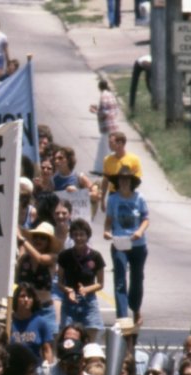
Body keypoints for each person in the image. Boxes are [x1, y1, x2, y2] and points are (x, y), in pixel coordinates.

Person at [103, 166, 149, 327]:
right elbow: (108, 222)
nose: (124, 183)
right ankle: (122, 317)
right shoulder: (113, 199)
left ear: (131, 182)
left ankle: (135, 308)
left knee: (137, 279)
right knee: (120, 280)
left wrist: (140, 231)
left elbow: (145, 219)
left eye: (127, 180)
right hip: (120, 242)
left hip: (137, 243)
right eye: (121, 180)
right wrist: (107, 232)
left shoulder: (139, 198)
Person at [57, 218, 106, 341]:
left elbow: (100, 284)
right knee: (68, 338)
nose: (79, 238)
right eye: (75, 235)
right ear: (72, 236)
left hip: (89, 302)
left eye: (82, 235)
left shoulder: (96, 256)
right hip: (69, 302)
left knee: (90, 338)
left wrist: (86, 289)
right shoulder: (64, 256)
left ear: (87, 236)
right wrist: (68, 290)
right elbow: (59, 282)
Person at [10, 282, 53, 364]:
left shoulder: (40, 322)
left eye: (29, 297)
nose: (26, 299)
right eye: (22, 296)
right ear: (16, 299)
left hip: (35, 370)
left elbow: (47, 350)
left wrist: (48, 370)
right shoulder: (9, 321)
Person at [89, 80, 119, 173]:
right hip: (113, 125)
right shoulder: (111, 95)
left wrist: (95, 111)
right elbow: (113, 110)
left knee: (105, 148)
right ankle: (101, 168)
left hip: (107, 126)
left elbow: (104, 112)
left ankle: (103, 169)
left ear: (100, 87)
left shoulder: (103, 96)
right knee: (104, 146)